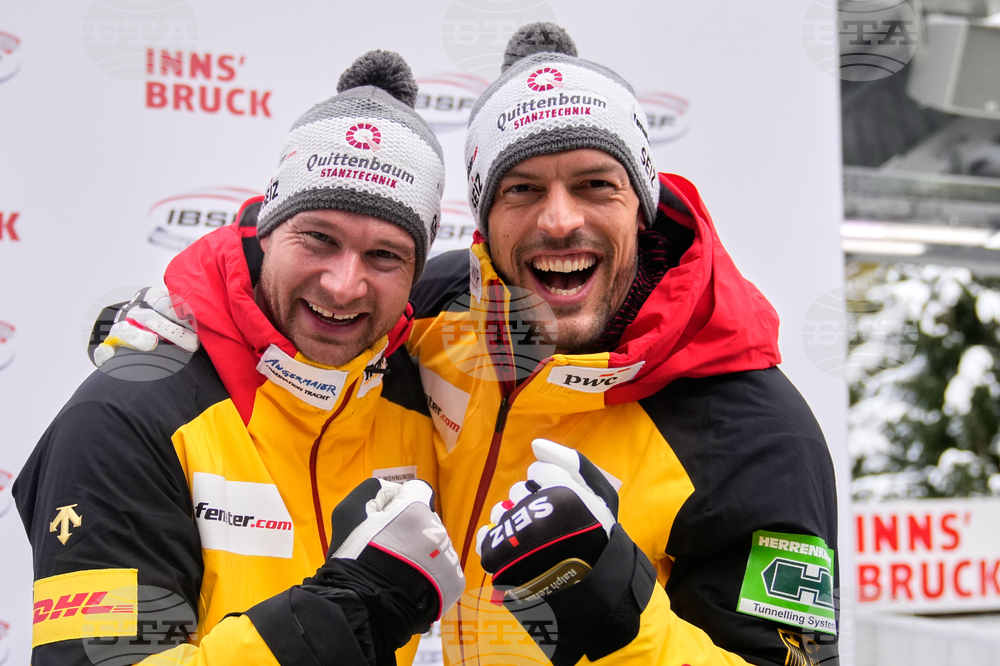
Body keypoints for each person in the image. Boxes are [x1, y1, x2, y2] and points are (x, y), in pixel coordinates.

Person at [405, 23, 841, 665]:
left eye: (594, 184)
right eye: (521, 189)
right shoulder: (437, 307)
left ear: (641, 203)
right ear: (485, 219)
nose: (558, 220)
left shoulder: (760, 437)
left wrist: (617, 607)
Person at [13, 51, 464, 666]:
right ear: (266, 229)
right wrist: (338, 615)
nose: (343, 285)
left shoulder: (422, 396)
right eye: (319, 238)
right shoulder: (125, 417)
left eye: (385, 256)